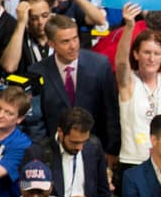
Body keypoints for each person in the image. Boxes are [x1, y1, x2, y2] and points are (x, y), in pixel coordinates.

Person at [31, 13, 121, 158]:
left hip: (94, 149)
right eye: (65, 41)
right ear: (51, 44)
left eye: (75, 38)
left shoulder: (100, 65)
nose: (73, 46)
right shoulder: (38, 71)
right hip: (55, 152)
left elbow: (111, 112)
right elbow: (38, 120)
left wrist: (111, 151)